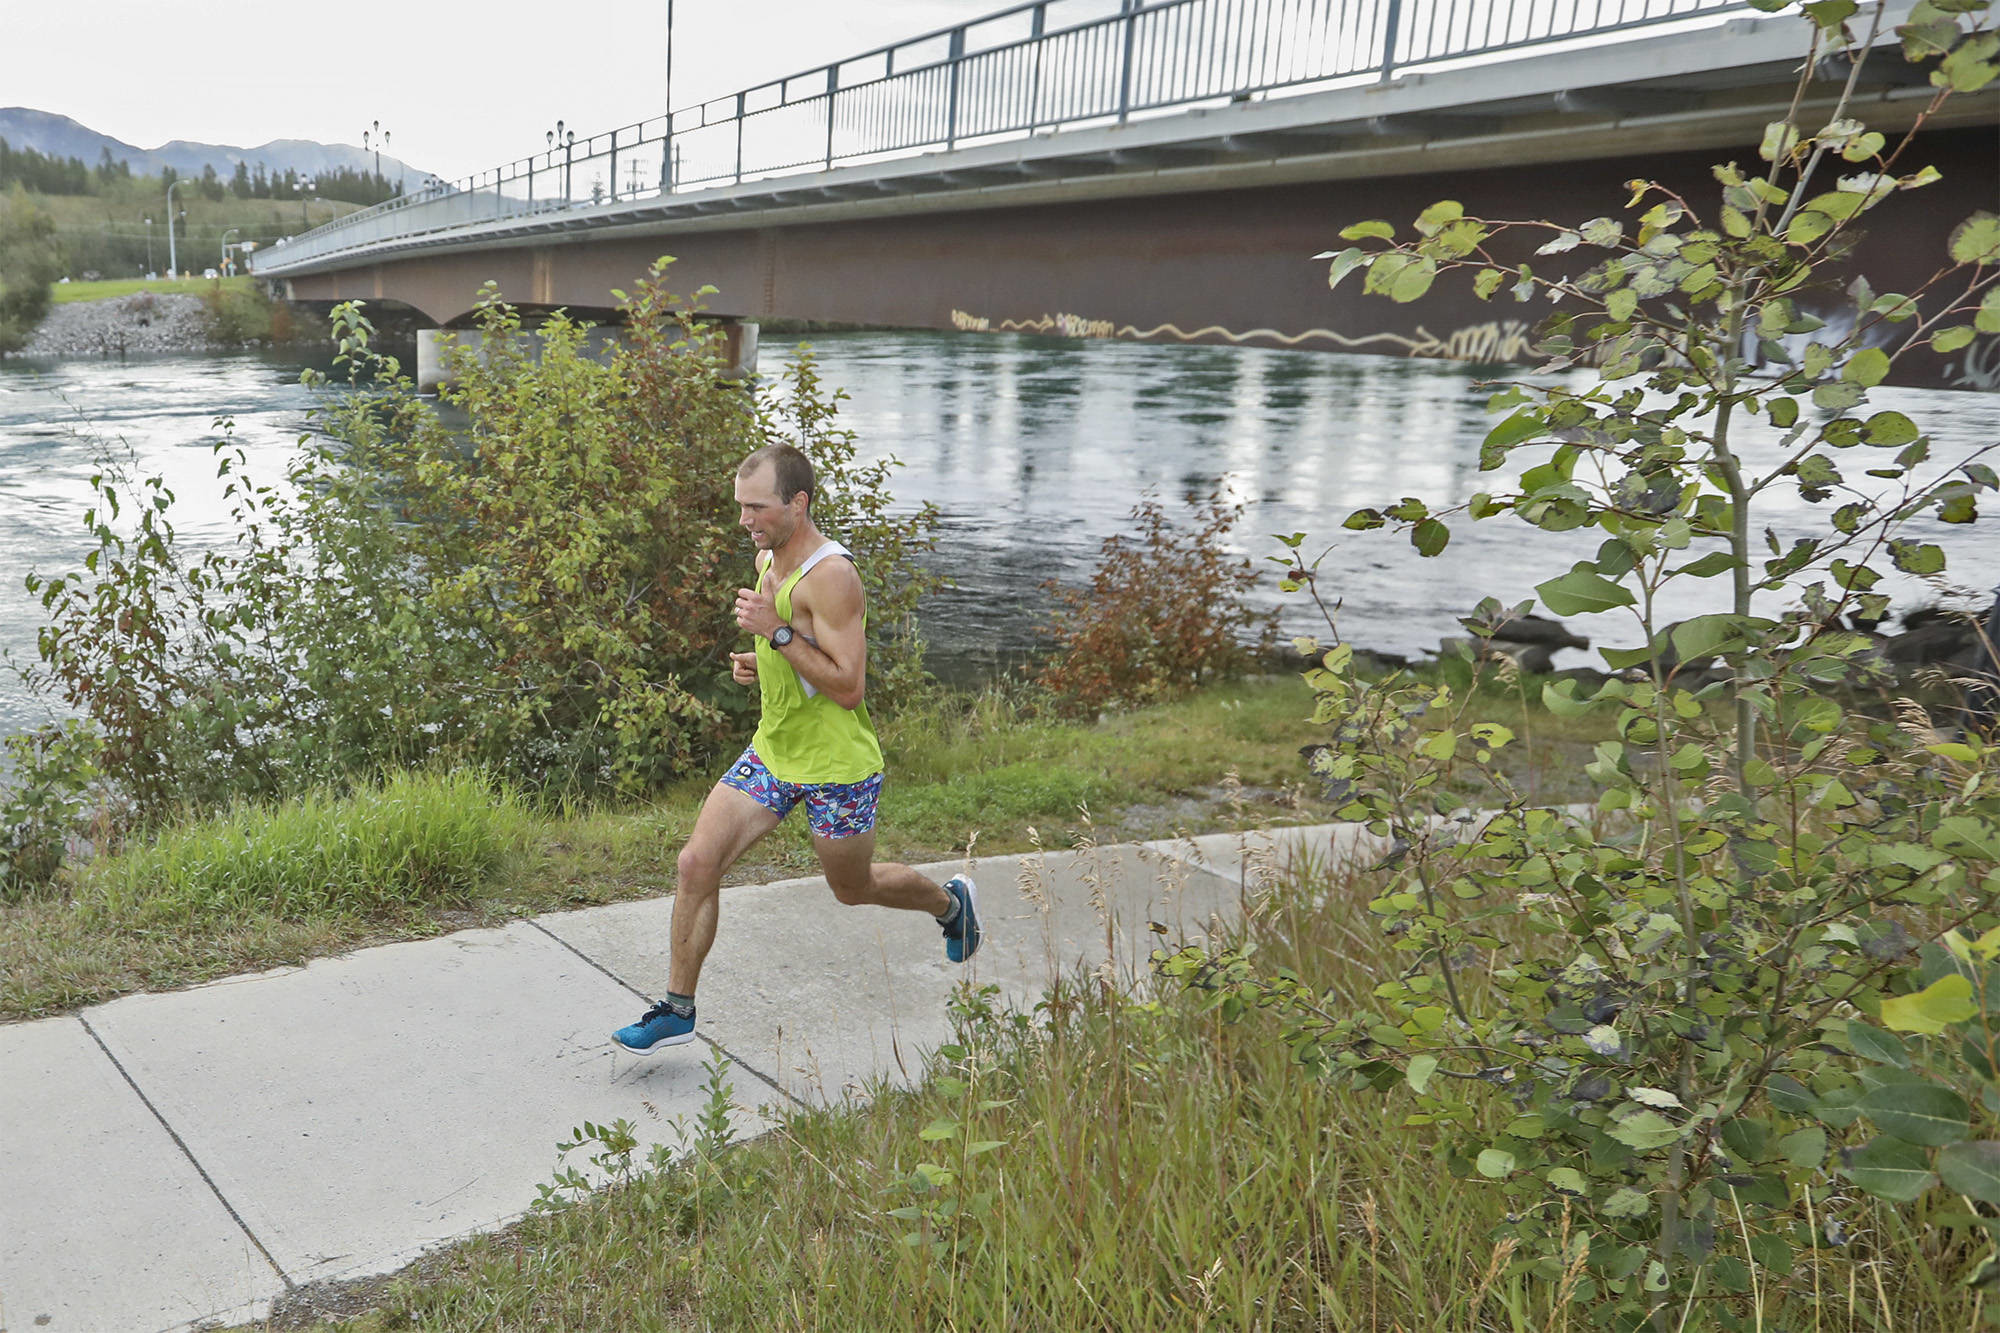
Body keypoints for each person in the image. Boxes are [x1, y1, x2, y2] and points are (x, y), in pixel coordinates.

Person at [613, 443, 981, 1054]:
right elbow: (798, 659)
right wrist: (762, 662)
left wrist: (775, 633)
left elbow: (847, 686)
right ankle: (677, 1008)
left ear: (798, 502)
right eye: (741, 508)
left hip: (838, 768)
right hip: (775, 753)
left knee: (852, 887)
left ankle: (950, 904)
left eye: (757, 507)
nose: (745, 521)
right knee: (696, 864)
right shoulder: (768, 560)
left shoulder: (833, 576)